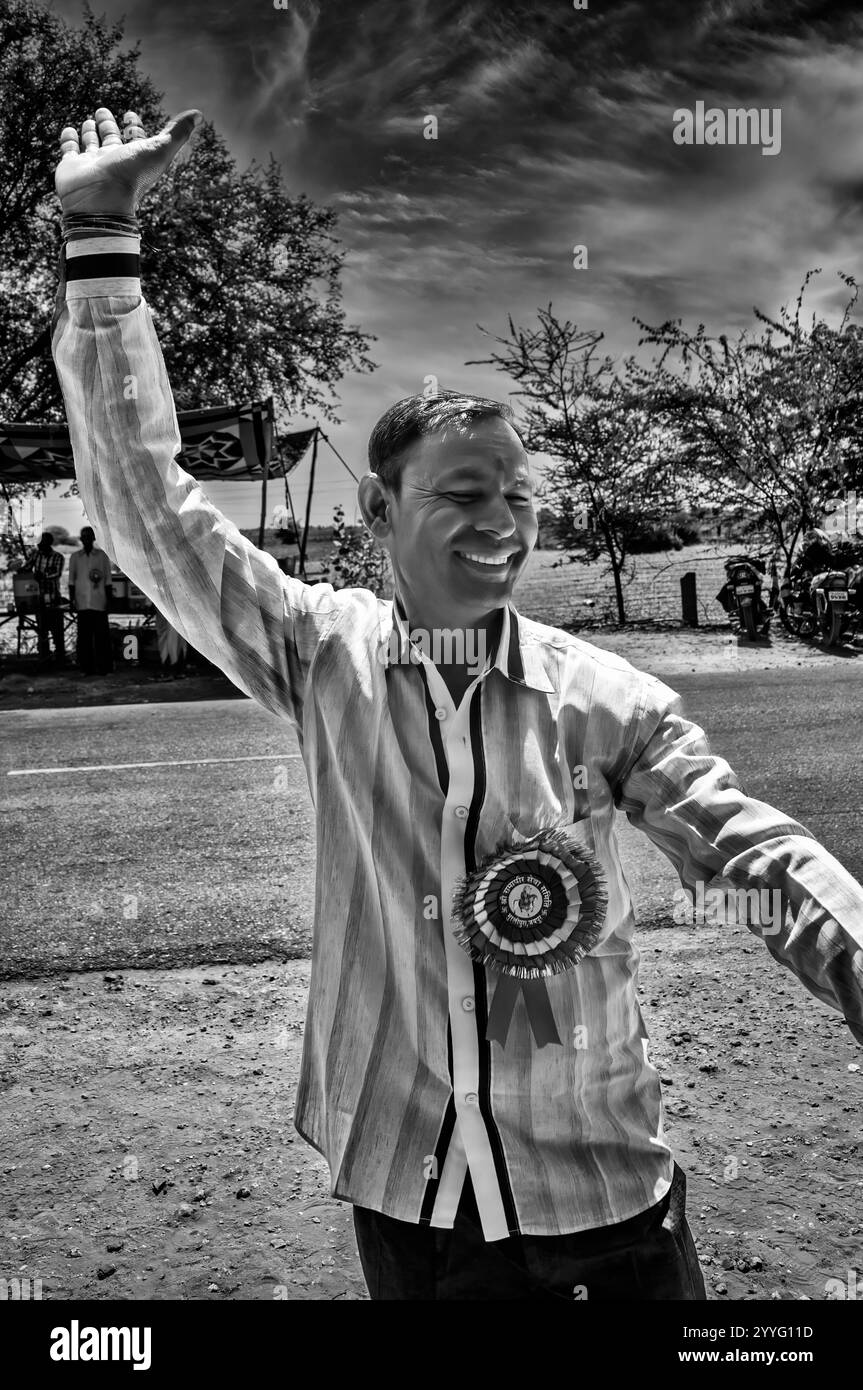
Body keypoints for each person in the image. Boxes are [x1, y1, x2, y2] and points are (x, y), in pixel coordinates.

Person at [49, 106, 863, 1302]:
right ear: (378, 516)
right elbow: (147, 511)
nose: (501, 525)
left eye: (518, 499)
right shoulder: (322, 656)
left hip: (599, 1192)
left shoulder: (605, 699)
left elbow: (749, 854)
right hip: (409, 1195)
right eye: (462, 494)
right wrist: (100, 236)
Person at [68, 525, 113, 676]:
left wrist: (109, 601)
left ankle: (104, 668)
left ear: (94, 538)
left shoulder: (102, 556)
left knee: (102, 638)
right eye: (84, 537)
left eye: (89, 536)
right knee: (84, 638)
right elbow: (71, 581)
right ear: (81, 539)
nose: (86, 539)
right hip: (82, 603)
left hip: (99, 602)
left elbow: (107, 580)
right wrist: (72, 601)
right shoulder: (75, 557)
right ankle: (86, 668)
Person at [18, 530, 66, 664]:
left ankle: (60, 658)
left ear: (48, 544)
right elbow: (26, 568)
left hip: (53, 598)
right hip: (38, 599)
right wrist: (20, 570)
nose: (39, 545)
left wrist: (43, 576)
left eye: (42, 543)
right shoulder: (35, 555)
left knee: (57, 630)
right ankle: (45, 658)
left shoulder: (58, 557)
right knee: (42, 630)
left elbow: (56, 574)